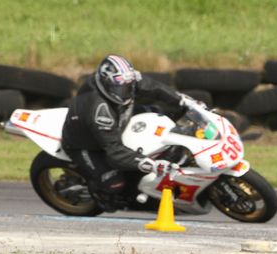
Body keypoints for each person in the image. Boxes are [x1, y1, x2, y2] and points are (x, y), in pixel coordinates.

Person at [61, 54, 197, 211]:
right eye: (118, 88)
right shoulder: (100, 111)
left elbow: (154, 88)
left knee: (157, 112)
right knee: (114, 183)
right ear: (106, 84)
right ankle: (102, 197)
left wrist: (181, 100)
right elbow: (115, 152)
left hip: (118, 119)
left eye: (127, 87)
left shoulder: (125, 80)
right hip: (86, 143)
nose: (124, 92)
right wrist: (151, 165)